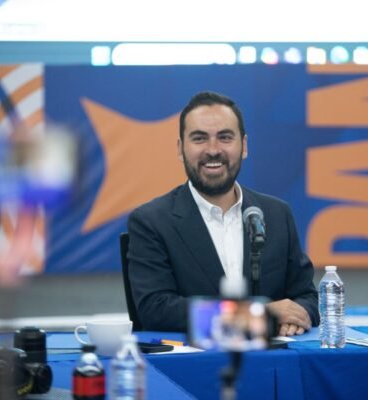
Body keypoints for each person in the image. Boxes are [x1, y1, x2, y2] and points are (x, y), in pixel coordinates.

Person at [127, 91, 319, 335]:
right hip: (198, 357)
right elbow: (155, 309)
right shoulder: (151, 221)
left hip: (273, 355)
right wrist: (260, 315)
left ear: (244, 146)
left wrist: (297, 315)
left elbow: (306, 297)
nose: (213, 150)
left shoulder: (277, 214)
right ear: (180, 149)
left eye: (225, 137)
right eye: (199, 138)